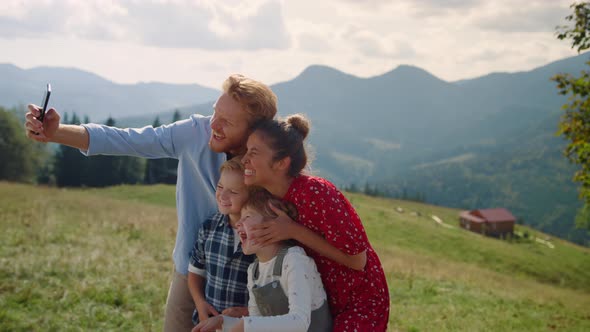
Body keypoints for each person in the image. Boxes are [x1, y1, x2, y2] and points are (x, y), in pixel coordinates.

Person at [23, 74, 278, 331]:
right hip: (190, 273)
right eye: (215, 113)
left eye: (227, 122)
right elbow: (127, 140)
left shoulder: (272, 159)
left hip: (250, 281)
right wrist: (56, 132)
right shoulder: (195, 133)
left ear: (253, 133)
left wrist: (259, 310)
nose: (213, 124)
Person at [240, 114, 390, 331]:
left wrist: (293, 230)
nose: (245, 159)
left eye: (253, 152)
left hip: (358, 301)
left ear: (281, 163)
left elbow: (358, 261)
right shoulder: (269, 198)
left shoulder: (317, 192)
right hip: (321, 299)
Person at [193, 189, 332, 332]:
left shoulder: (294, 260)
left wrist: (245, 325)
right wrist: (222, 321)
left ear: (272, 224)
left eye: (247, 216)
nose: (238, 223)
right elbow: (257, 321)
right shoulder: (254, 271)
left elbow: (300, 322)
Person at [187, 157, 254, 324]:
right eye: (220, 187)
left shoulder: (260, 235)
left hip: (244, 325)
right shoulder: (208, 228)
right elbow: (195, 273)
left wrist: (248, 312)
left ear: (253, 194)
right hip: (207, 322)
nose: (223, 195)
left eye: (233, 191)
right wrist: (200, 304)